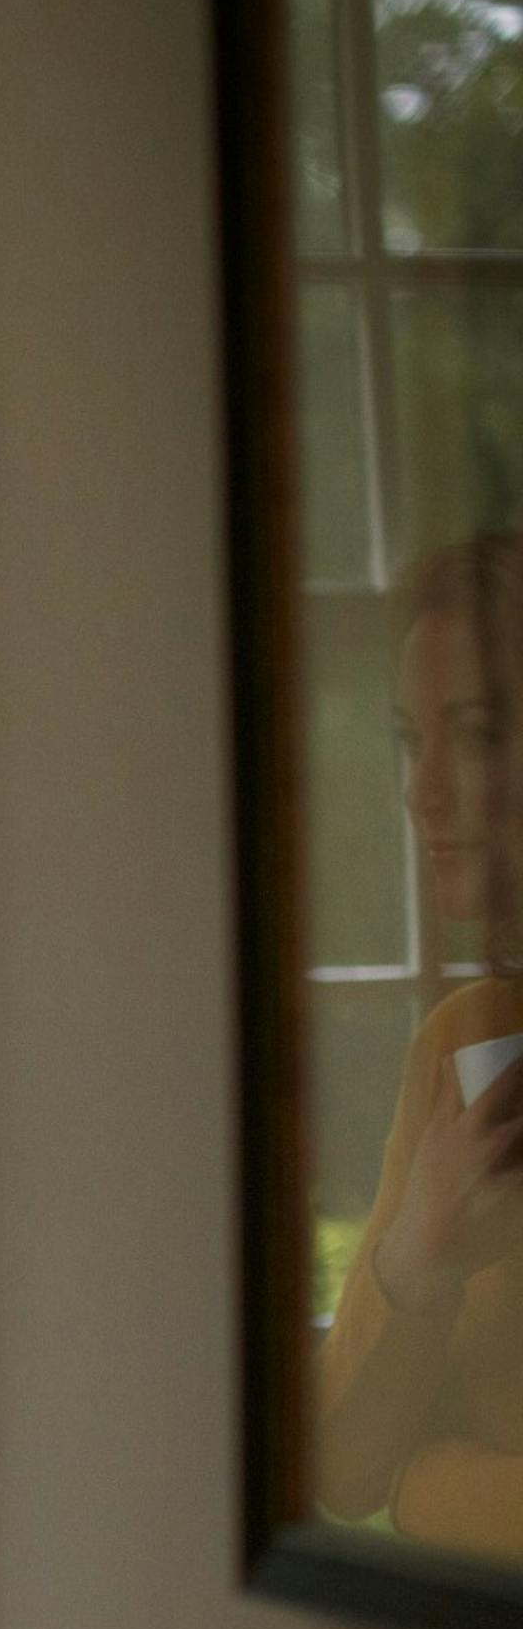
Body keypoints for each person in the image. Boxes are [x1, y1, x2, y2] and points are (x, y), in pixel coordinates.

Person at [320, 533, 523, 1561]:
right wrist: (420, 1255)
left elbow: (392, 1487)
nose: (421, 791)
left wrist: (429, 1487)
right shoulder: (466, 1043)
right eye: (411, 740)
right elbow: (345, 1469)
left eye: (477, 737)